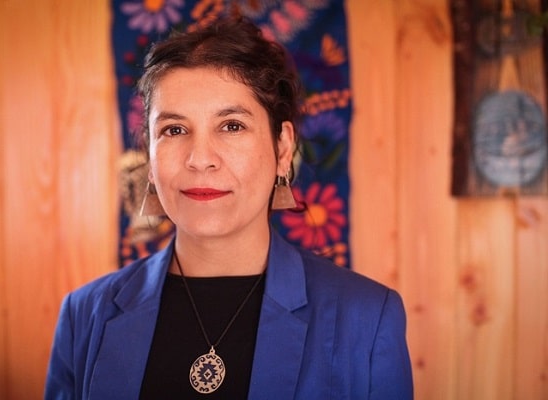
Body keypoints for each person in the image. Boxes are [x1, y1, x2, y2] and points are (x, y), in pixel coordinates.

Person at [45, 17, 413, 400]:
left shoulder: (367, 319)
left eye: (232, 126)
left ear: (283, 149)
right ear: (149, 158)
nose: (200, 159)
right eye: (174, 130)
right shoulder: (84, 315)